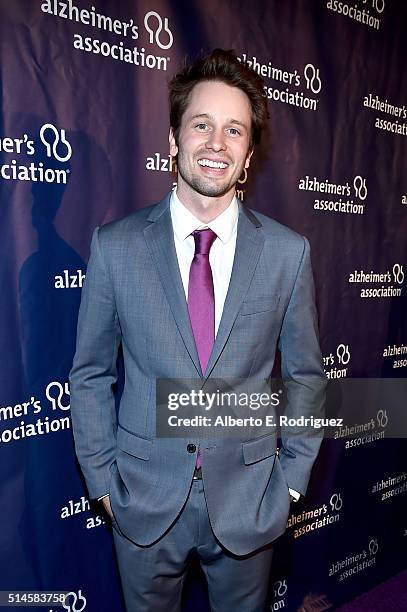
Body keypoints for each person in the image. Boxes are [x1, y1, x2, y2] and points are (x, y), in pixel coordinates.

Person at [69, 48, 326, 612]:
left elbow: (307, 376)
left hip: (250, 499)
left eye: (234, 130)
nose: (217, 143)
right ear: (173, 140)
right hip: (141, 499)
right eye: (202, 124)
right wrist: (104, 483)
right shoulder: (115, 247)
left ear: (249, 153)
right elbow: (88, 375)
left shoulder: (288, 254)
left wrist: (289, 483)